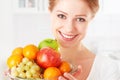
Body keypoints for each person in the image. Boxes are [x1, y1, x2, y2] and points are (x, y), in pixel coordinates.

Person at [48, 0, 120, 80]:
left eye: (80, 19)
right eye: (61, 16)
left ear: (91, 19)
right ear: (50, 12)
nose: (69, 29)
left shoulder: (107, 69)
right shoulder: (33, 62)